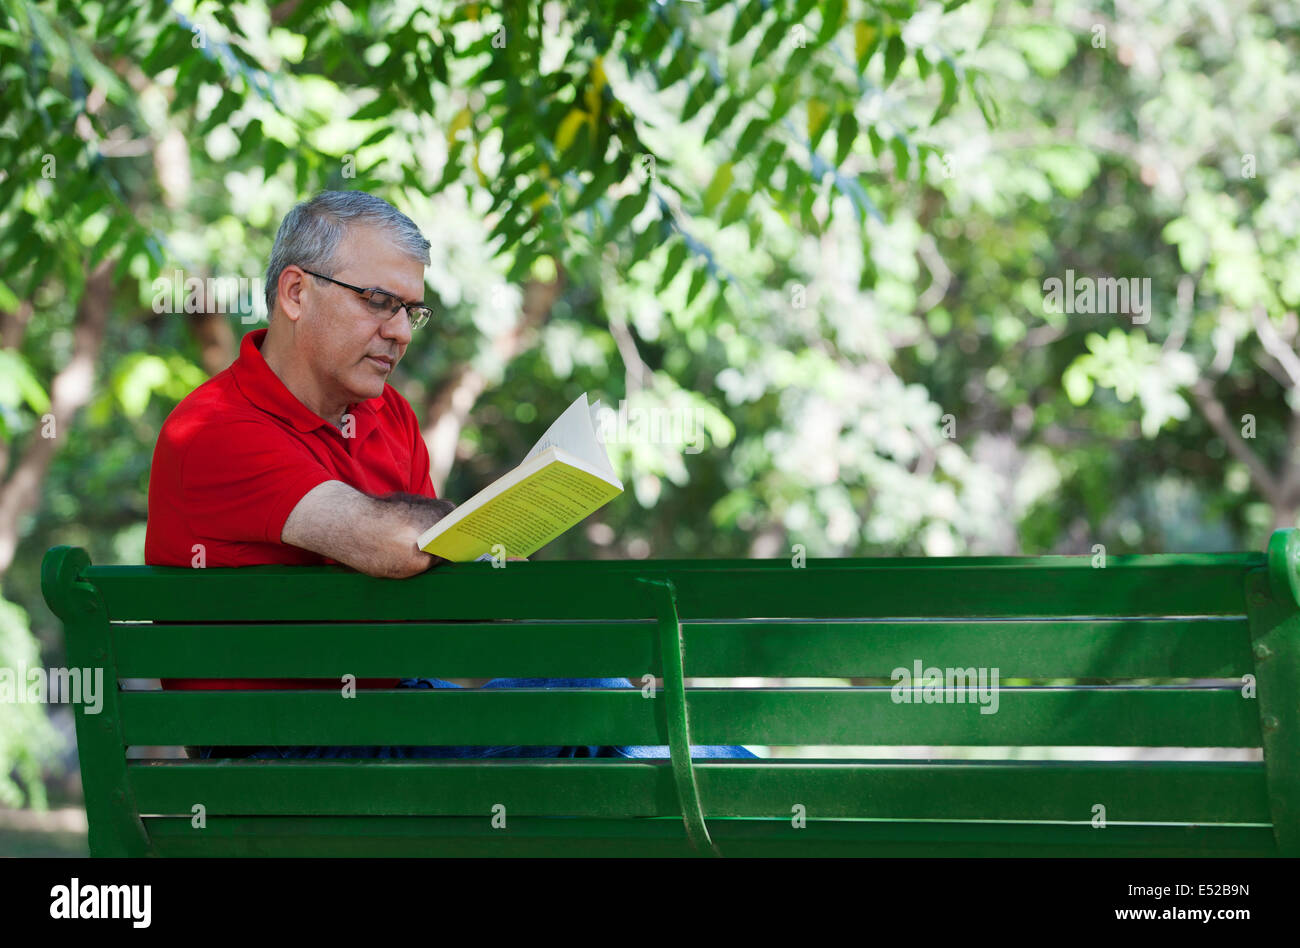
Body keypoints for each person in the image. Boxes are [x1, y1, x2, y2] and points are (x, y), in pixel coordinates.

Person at [144, 190, 755, 761]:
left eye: (412, 311)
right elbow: (388, 542)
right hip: (279, 754)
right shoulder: (214, 430)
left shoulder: (392, 417)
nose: (401, 332)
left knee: (593, 693)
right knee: (582, 696)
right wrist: (477, 529)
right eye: (379, 302)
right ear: (296, 294)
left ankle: (758, 810)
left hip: (393, 715)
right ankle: (774, 814)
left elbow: (439, 594)